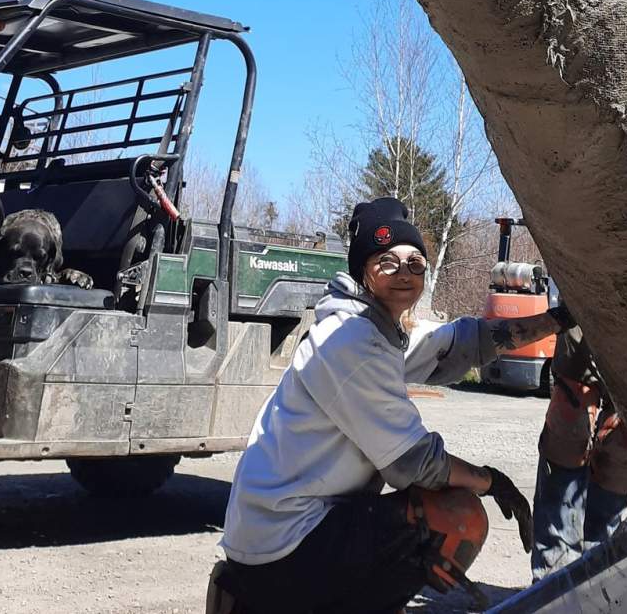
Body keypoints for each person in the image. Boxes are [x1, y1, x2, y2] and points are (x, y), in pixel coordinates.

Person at [209, 196, 564, 614]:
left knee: (432, 512)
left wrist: (555, 321)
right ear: (364, 270)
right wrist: (491, 481)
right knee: (454, 517)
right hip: (283, 546)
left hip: (291, 529)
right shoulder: (350, 342)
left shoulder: (374, 331)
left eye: (415, 263)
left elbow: (463, 343)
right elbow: (412, 464)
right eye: (387, 262)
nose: (404, 273)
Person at [528, 308, 627, 578]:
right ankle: (555, 577)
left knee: (625, 440)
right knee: (570, 420)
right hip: (588, 295)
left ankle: (596, 572)